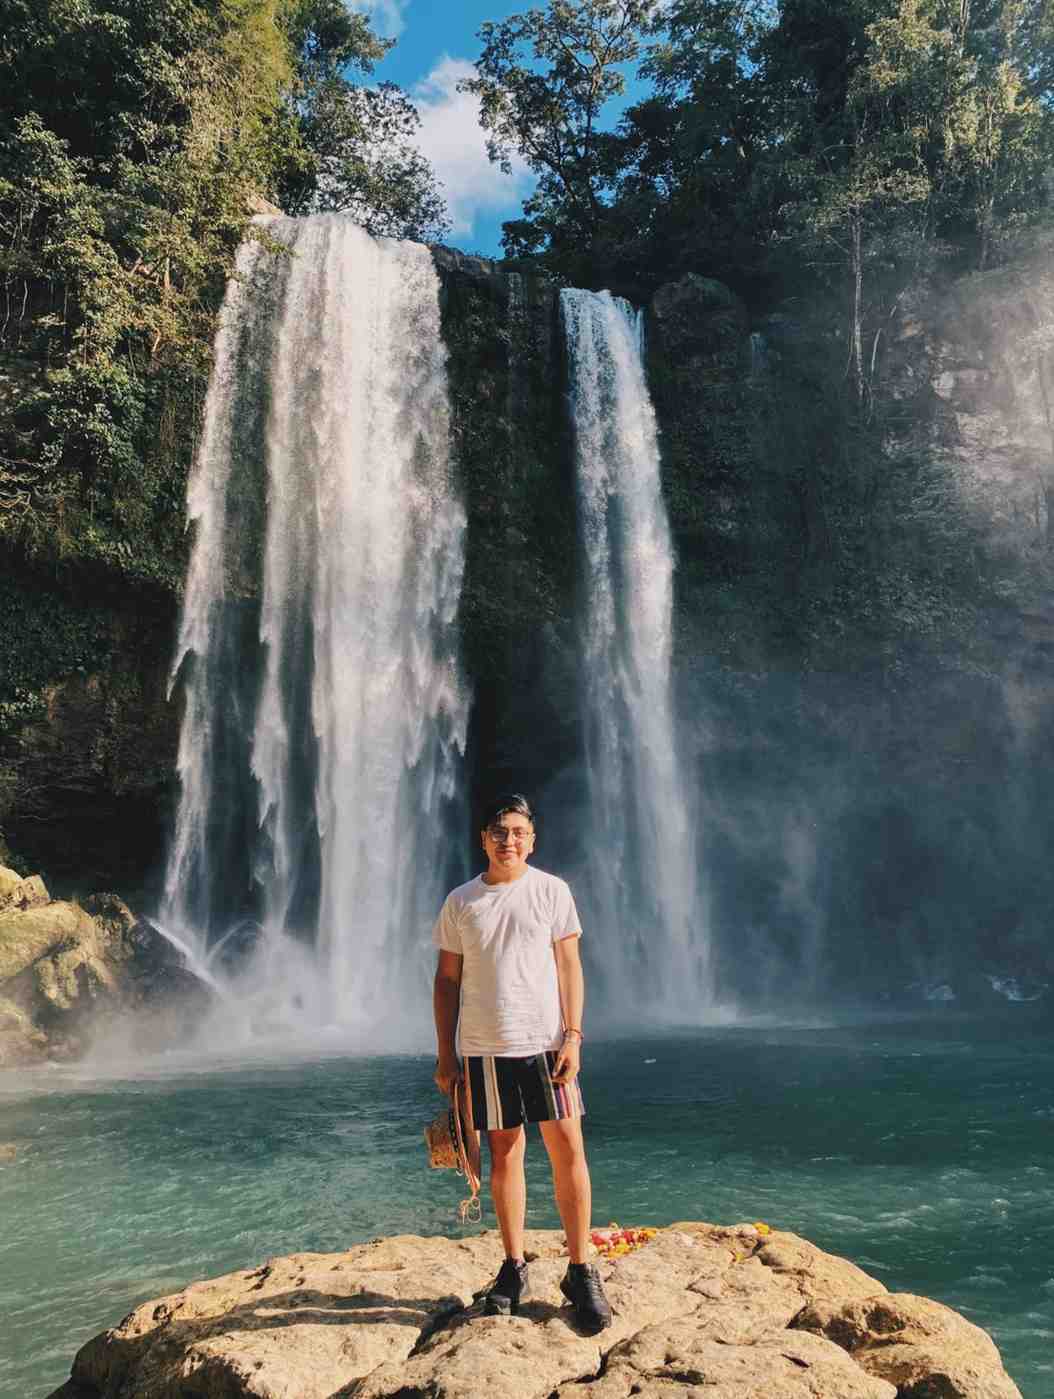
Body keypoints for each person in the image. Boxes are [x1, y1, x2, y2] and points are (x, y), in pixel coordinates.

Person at [432, 793, 612, 1334]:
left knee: (568, 1150)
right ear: (483, 840)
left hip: (546, 1044)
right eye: (498, 831)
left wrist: (574, 1037)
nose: (508, 840)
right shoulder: (461, 902)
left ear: (531, 840)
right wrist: (446, 1052)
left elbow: (571, 968)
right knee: (505, 1153)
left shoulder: (552, 892)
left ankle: (580, 1270)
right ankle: (514, 1266)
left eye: (517, 831)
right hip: (485, 1048)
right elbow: (446, 980)